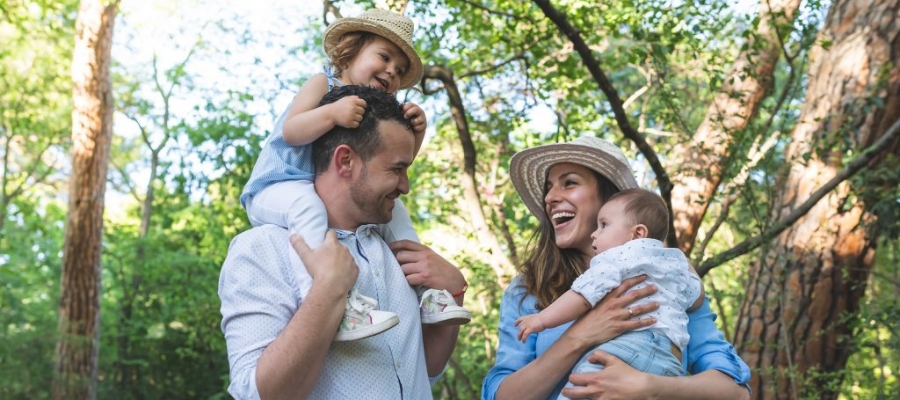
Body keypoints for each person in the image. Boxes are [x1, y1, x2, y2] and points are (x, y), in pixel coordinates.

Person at [219, 85, 467, 399]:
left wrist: (454, 294)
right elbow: (255, 394)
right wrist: (327, 292)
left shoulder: (397, 254)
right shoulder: (262, 249)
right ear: (345, 161)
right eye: (396, 169)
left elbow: (426, 370)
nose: (405, 187)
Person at [239, 8, 470, 341]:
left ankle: (427, 295)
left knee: (399, 214)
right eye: (384, 57)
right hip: (278, 185)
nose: (392, 71)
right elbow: (291, 132)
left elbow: (389, 164)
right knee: (307, 208)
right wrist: (331, 112)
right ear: (350, 52)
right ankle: (330, 299)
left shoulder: (373, 112)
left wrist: (417, 133)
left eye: (400, 70)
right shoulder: (324, 83)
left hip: (314, 190)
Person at [482, 136, 751, 399]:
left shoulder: (663, 278)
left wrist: (649, 386)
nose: (550, 197)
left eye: (569, 183)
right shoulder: (528, 288)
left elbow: (735, 392)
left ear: (610, 199)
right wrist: (581, 334)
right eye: (549, 188)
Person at [515, 188, 705, 399]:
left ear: (638, 234)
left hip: (627, 348)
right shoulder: (676, 263)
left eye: (604, 225)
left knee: (578, 391)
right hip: (670, 363)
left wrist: (542, 319)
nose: (594, 234)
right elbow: (696, 298)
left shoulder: (617, 258)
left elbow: (581, 296)